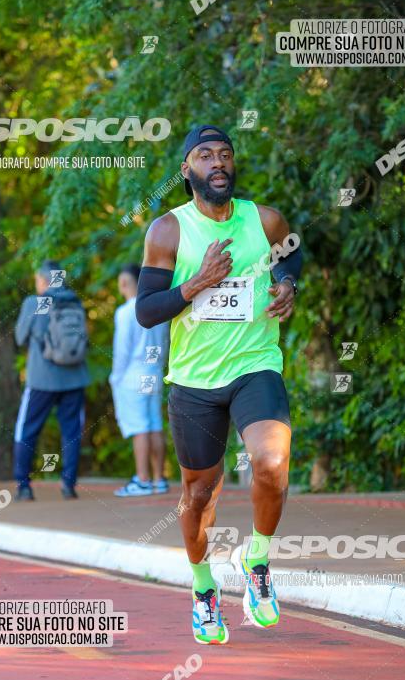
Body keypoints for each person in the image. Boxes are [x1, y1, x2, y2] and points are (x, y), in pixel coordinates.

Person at [135, 125, 302, 645]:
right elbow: (145, 311)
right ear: (187, 170)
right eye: (205, 156)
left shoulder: (264, 219)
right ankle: (204, 589)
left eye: (225, 154)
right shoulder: (167, 231)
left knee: (271, 465)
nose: (218, 163)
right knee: (198, 492)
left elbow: (291, 253)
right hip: (194, 380)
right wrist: (196, 283)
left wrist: (287, 284)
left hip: (256, 364)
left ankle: (258, 562)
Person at [13, 260, 90, 500]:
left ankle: (24, 486)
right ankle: (69, 485)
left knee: (27, 430)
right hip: (74, 377)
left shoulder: (34, 303)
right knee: (71, 432)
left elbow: (19, 337)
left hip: (41, 379)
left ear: (44, 280)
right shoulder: (74, 302)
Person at [110, 263, 169, 497]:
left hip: (132, 375)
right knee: (154, 423)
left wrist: (115, 377)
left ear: (124, 282)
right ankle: (158, 478)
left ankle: (142, 480)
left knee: (139, 427)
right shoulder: (158, 310)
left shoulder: (125, 312)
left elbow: (122, 350)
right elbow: (165, 344)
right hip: (153, 373)